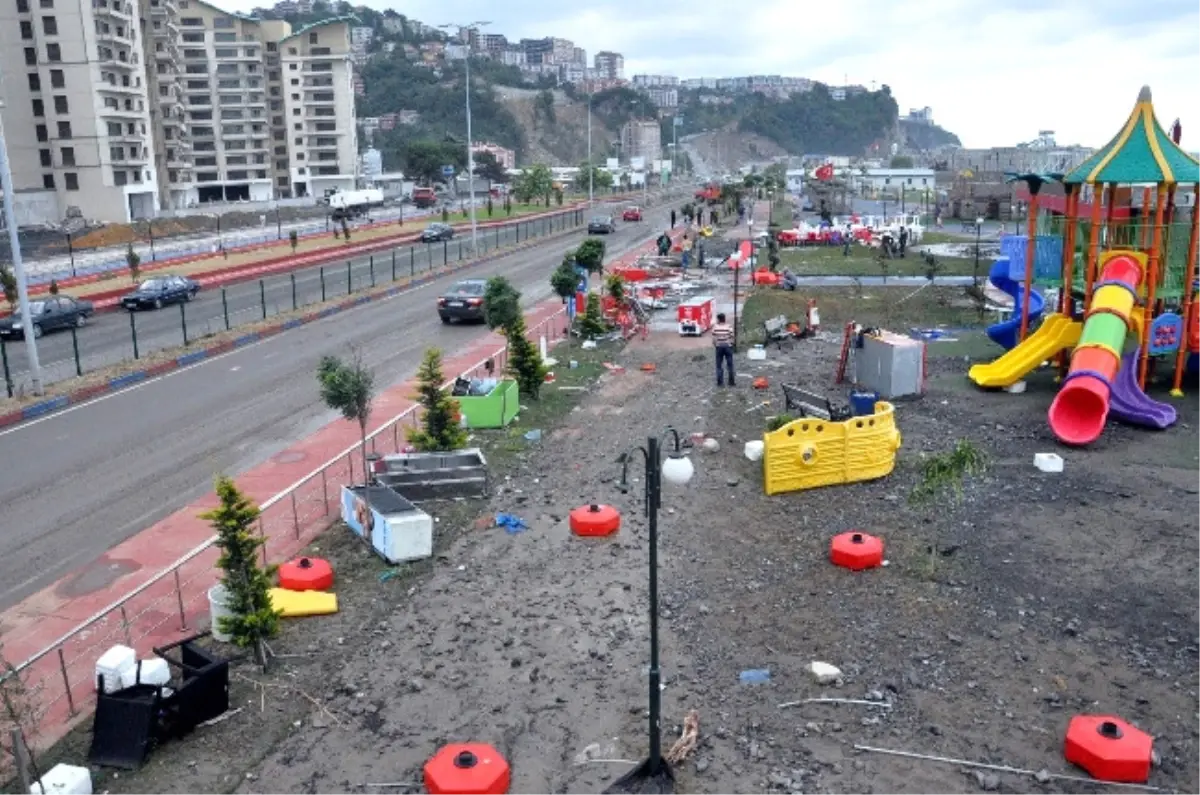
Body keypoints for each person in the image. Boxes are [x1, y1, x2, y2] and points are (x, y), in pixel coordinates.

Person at [712, 313, 736, 387]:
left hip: (719, 347)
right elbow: (732, 336)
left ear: (719, 319)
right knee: (730, 365)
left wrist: (715, 345)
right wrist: (731, 344)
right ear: (724, 319)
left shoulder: (715, 327)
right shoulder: (728, 326)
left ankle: (720, 383)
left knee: (719, 365)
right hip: (728, 347)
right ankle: (731, 382)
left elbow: (714, 338)